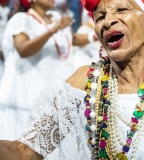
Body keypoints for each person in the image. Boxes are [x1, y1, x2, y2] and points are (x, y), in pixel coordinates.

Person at [0, 0, 144, 159]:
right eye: (100, 16)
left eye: (121, 10)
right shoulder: (86, 81)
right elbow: (25, 152)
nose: (107, 21)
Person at [0, 0, 97, 140]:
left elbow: (71, 39)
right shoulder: (21, 19)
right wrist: (53, 29)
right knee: (27, 142)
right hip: (28, 93)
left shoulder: (56, 18)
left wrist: (92, 36)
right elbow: (22, 49)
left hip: (56, 88)